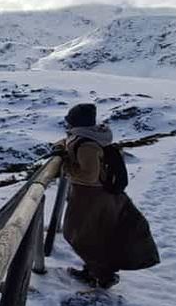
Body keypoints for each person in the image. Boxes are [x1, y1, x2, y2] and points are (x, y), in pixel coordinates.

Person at [54, 103, 160, 289]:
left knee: (80, 234)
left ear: (76, 122)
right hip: (101, 195)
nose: (67, 125)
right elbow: (68, 141)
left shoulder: (86, 145)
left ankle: (103, 276)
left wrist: (66, 167)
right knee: (95, 234)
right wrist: (60, 147)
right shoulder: (90, 135)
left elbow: (89, 175)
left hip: (91, 196)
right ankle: (95, 271)